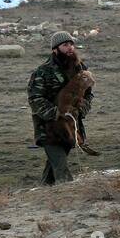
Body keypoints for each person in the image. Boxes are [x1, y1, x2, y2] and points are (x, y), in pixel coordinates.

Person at [28, 31, 94, 185]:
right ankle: (69, 196)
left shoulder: (80, 68)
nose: (70, 48)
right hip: (49, 127)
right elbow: (35, 99)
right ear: (55, 49)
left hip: (70, 127)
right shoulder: (43, 71)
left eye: (71, 44)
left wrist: (83, 108)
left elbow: (88, 94)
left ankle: (44, 191)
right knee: (61, 167)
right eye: (65, 45)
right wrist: (57, 113)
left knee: (55, 165)